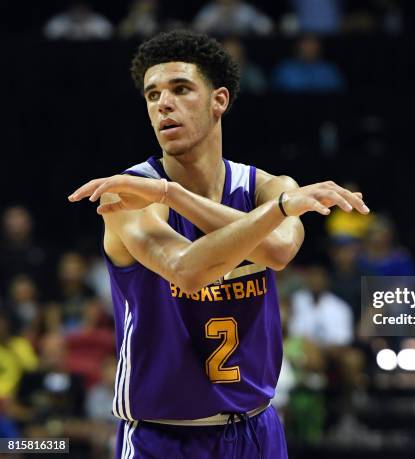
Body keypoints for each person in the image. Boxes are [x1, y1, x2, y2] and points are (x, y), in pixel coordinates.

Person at [68, 30, 368, 459]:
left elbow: (279, 252)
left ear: (219, 100)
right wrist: (277, 209)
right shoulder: (129, 195)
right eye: (152, 95)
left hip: (257, 430)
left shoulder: (267, 188)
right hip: (164, 437)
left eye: (180, 89)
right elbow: (188, 271)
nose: (163, 104)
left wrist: (178, 196)